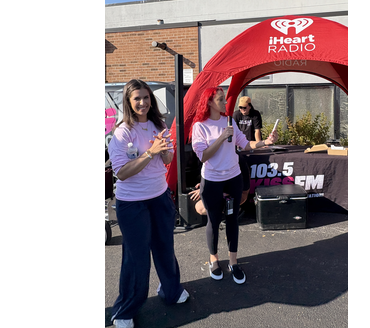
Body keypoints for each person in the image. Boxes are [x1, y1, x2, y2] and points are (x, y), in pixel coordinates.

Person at [107, 79, 188, 328]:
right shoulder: (122, 133)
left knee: (165, 248)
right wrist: (150, 152)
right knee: (136, 258)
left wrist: (164, 151)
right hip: (133, 204)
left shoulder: (159, 124)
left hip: (160, 197)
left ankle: (170, 290)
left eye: (146, 97)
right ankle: (125, 309)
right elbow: (121, 173)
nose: (142, 103)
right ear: (128, 102)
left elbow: (168, 158)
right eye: (137, 99)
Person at [191, 87, 277, 284]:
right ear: (209, 102)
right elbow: (203, 156)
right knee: (213, 220)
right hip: (212, 180)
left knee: (232, 220)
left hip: (233, 178)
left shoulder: (229, 121)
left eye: (224, 99)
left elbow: (245, 144)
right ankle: (214, 260)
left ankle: (233, 262)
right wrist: (222, 137)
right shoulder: (200, 126)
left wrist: (266, 141)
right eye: (220, 99)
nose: (225, 103)